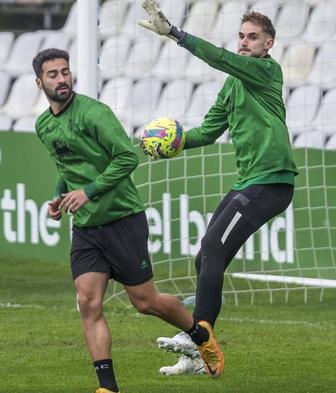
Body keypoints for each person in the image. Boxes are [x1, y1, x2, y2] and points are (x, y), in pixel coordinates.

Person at [32, 48, 221, 392]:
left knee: (144, 301)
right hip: (87, 228)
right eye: (53, 75)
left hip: (122, 218)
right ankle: (107, 387)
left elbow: (126, 158)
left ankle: (199, 334)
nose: (62, 79)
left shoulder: (94, 113)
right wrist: (59, 197)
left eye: (65, 72)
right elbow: (66, 167)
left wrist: (88, 191)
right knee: (88, 302)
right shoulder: (43, 125)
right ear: (38, 82)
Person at [138, 0, 298, 376]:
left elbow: (221, 59)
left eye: (252, 37)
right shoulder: (232, 86)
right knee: (206, 258)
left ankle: (199, 334)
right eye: (241, 36)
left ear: (268, 44)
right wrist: (170, 145)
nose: (244, 42)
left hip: (272, 180)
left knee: (211, 247)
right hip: (250, 181)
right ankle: (196, 355)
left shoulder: (265, 71)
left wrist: (177, 34)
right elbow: (209, 132)